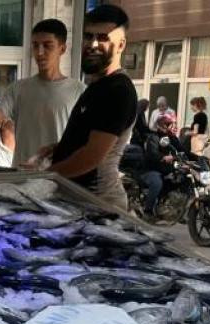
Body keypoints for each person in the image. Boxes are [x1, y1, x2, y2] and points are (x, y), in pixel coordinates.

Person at [40, 4, 138, 209]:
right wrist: (59, 148)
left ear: (120, 45)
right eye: (88, 36)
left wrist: (42, 177)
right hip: (79, 201)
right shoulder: (98, 86)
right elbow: (90, 139)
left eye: (103, 38)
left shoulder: (118, 90)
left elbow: (91, 157)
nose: (92, 44)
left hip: (98, 205)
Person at [0, 19, 84, 168]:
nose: (40, 52)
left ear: (62, 49)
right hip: (22, 174)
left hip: (58, 175)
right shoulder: (18, 89)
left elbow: (84, 141)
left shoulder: (79, 91)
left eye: (47, 46)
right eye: (35, 45)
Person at [135, 114, 184, 217]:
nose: (172, 126)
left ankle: (177, 209)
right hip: (149, 169)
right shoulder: (154, 137)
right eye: (168, 124)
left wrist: (197, 158)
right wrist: (164, 157)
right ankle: (148, 210)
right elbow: (152, 154)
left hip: (164, 169)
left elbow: (182, 150)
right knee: (157, 182)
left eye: (171, 124)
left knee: (181, 178)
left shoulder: (171, 138)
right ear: (161, 125)